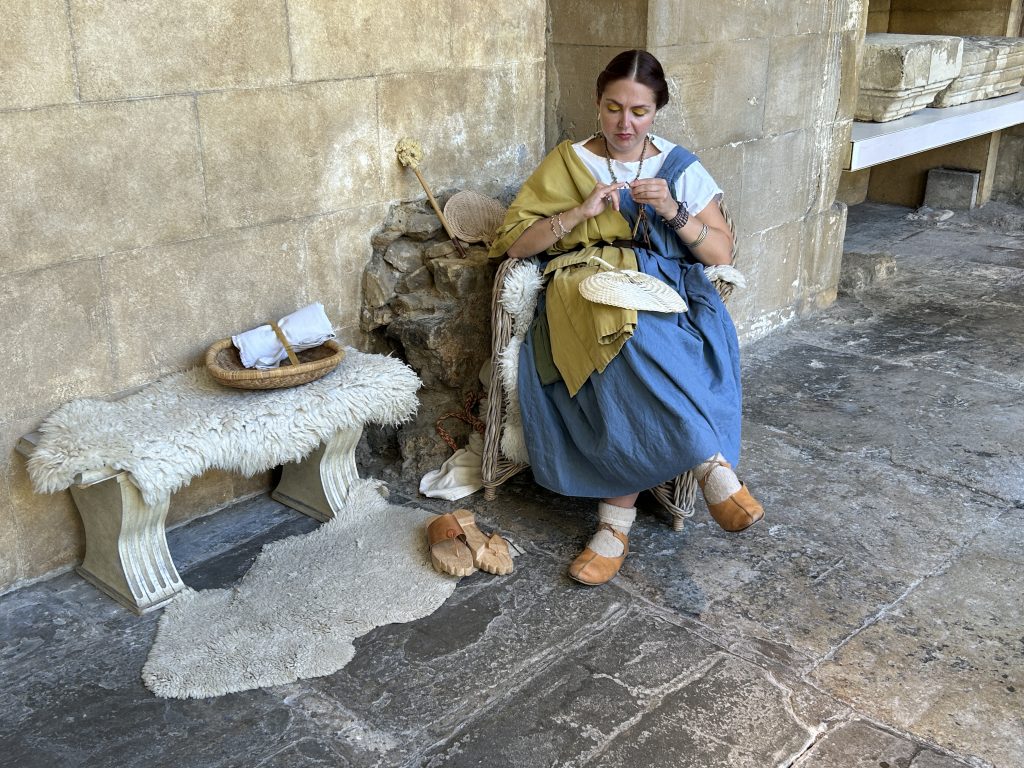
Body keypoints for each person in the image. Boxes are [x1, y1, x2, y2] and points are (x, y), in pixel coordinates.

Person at [487, 49, 764, 586]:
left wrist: (674, 213)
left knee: (641, 336)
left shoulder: (680, 168)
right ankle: (708, 464)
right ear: (598, 104)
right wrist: (579, 213)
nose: (624, 123)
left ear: (657, 110)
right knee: (617, 329)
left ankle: (614, 525)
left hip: (661, 287)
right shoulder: (567, 163)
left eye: (639, 111)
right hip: (581, 286)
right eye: (613, 108)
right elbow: (516, 245)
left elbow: (720, 254)